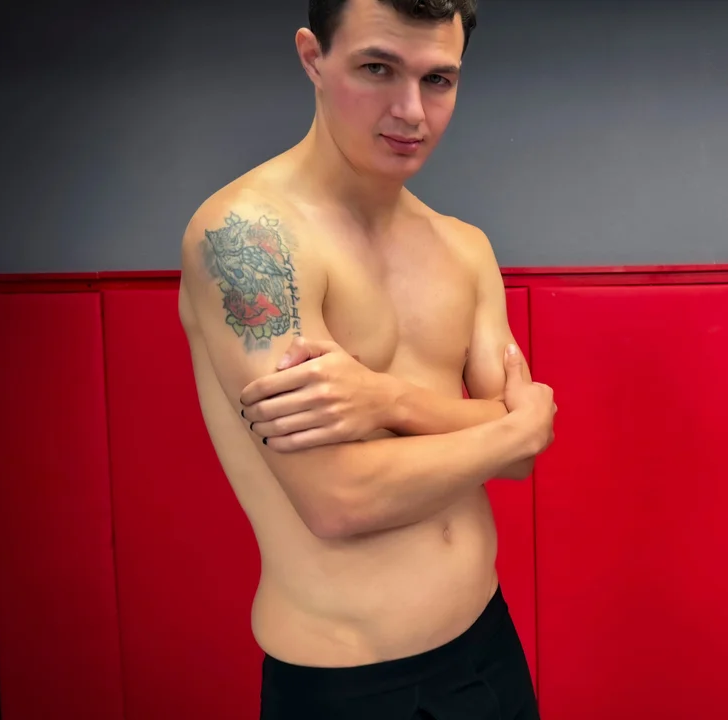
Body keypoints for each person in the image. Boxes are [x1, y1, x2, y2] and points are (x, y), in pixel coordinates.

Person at [178, 0, 555, 717]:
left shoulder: (464, 247)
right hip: (347, 682)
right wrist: (517, 425)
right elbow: (339, 500)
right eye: (378, 68)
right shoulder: (248, 240)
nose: (411, 111)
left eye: (437, 79)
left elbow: (519, 461)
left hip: (487, 648)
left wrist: (388, 401)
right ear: (313, 58)